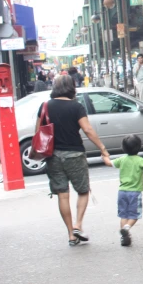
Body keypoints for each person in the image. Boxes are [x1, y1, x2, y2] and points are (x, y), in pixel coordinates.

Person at [38, 75, 110, 246]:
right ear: (71, 88)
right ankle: (78, 224)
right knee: (83, 191)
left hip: (53, 156)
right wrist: (102, 148)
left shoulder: (45, 106)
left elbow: (39, 131)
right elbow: (87, 129)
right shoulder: (76, 106)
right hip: (75, 154)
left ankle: (71, 234)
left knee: (63, 195)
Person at [103, 134, 143, 246]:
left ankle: (124, 237)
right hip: (134, 193)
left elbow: (108, 163)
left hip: (122, 192)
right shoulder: (141, 161)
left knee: (124, 215)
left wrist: (104, 156)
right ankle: (127, 228)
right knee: (135, 215)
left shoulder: (122, 160)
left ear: (123, 148)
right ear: (139, 146)